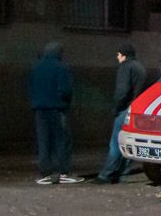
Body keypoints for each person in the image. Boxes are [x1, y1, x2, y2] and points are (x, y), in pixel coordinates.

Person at [92, 44, 146, 185]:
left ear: (124, 55)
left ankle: (106, 175)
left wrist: (116, 108)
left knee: (115, 143)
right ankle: (122, 173)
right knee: (127, 143)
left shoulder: (125, 67)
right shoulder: (140, 67)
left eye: (118, 54)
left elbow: (122, 91)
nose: (117, 57)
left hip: (125, 109)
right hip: (135, 109)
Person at [29, 42, 81, 184]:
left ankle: (45, 173)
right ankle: (62, 172)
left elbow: (31, 87)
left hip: (40, 109)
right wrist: (66, 102)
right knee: (61, 140)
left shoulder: (36, 67)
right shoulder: (61, 68)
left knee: (44, 141)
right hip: (57, 109)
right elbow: (65, 90)